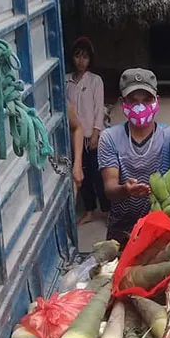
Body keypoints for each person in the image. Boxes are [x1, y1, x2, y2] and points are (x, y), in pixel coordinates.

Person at [98, 68, 170, 247]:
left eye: (147, 100)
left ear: (156, 101)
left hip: (161, 225)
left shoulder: (169, 135)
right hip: (122, 226)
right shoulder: (109, 137)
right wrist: (125, 190)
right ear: (122, 103)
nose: (140, 106)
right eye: (133, 100)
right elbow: (110, 188)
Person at [65, 36, 108, 224]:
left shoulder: (95, 81)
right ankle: (89, 210)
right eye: (77, 56)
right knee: (81, 175)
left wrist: (96, 133)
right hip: (75, 137)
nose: (81, 61)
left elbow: (99, 108)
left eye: (85, 57)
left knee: (98, 174)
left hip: (92, 135)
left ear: (90, 59)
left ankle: (106, 210)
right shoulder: (66, 81)